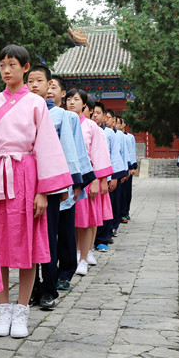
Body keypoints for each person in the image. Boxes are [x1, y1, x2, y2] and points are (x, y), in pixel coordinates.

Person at [0, 46, 71, 339]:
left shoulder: (37, 104)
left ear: (25, 68)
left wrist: (43, 192)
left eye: (12, 64)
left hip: (26, 177)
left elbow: (46, 147)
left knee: (27, 247)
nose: (6, 70)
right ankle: (3, 309)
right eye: (2, 65)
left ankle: (22, 310)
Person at [29, 70, 91, 307]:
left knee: (51, 236)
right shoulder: (24, 110)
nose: (35, 85)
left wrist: (75, 180)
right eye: (30, 81)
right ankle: (31, 286)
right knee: (29, 238)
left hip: (52, 182)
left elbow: (70, 149)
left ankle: (50, 286)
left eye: (41, 81)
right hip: (26, 181)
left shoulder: (64, 117)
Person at [65, 89, 114, 278]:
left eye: (76, 99)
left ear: (85, 104)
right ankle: (71, 256)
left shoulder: (91, 126)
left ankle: (83, 258)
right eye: (69, 99)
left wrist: (97, 180)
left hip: (85, 177)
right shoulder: (62, 121)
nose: (71, 102)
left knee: (85, 222)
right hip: (66, 178)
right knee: (69, 222)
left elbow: (99, 154)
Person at [93, 101, 126, 251]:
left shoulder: (109, 133)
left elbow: (115, 155)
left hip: (106, 176)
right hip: (90, 177)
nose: (95, 116)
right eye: (93, 113)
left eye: (98, 113)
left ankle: (103, 239)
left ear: (104, 116)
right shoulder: (86, 129)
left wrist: (114, 177)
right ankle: (91, 240)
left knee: (106, 208)